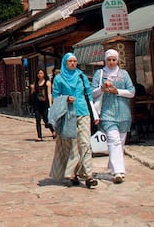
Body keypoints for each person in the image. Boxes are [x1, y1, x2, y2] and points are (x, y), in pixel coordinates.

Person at [49, 52, 98, 188]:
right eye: (70, 61)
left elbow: (88, 94)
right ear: (65, 63)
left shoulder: (81, 76)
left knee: (85, 143)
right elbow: (55, 96)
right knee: (72, 145)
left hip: (83, 112)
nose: (72, 64)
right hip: (68, 114)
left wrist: (95, 113)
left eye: (74, 61)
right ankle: (74, 173)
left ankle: (89, 175)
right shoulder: (59, 79)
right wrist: (66, 99)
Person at [92, 48, 135, 184]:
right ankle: (119, 171)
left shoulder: (124, 74)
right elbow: (92, 93)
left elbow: (131, 92)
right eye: (109, 60)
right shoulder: (99, 74)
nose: (111, 62)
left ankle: (113, 165)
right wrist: (102, 88)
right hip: (106, 112)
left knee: (120, 142)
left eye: (114, 60)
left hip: (123, 112)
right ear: (105, 60)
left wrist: (118, 91)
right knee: (113, 140)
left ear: (117, 60)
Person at [30, 69, 53, 141]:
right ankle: (39, 136)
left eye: (41, 73)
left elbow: (49, 94)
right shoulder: (35, 83)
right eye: (38, 73)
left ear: (44, 74)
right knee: (38, 119)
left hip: (45, 103)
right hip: (37, 104)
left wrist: (50, 104)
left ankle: (53, 130)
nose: (40, 75)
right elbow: (32, 93)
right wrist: (32, 89)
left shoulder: (47, 83)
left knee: (46, 119)